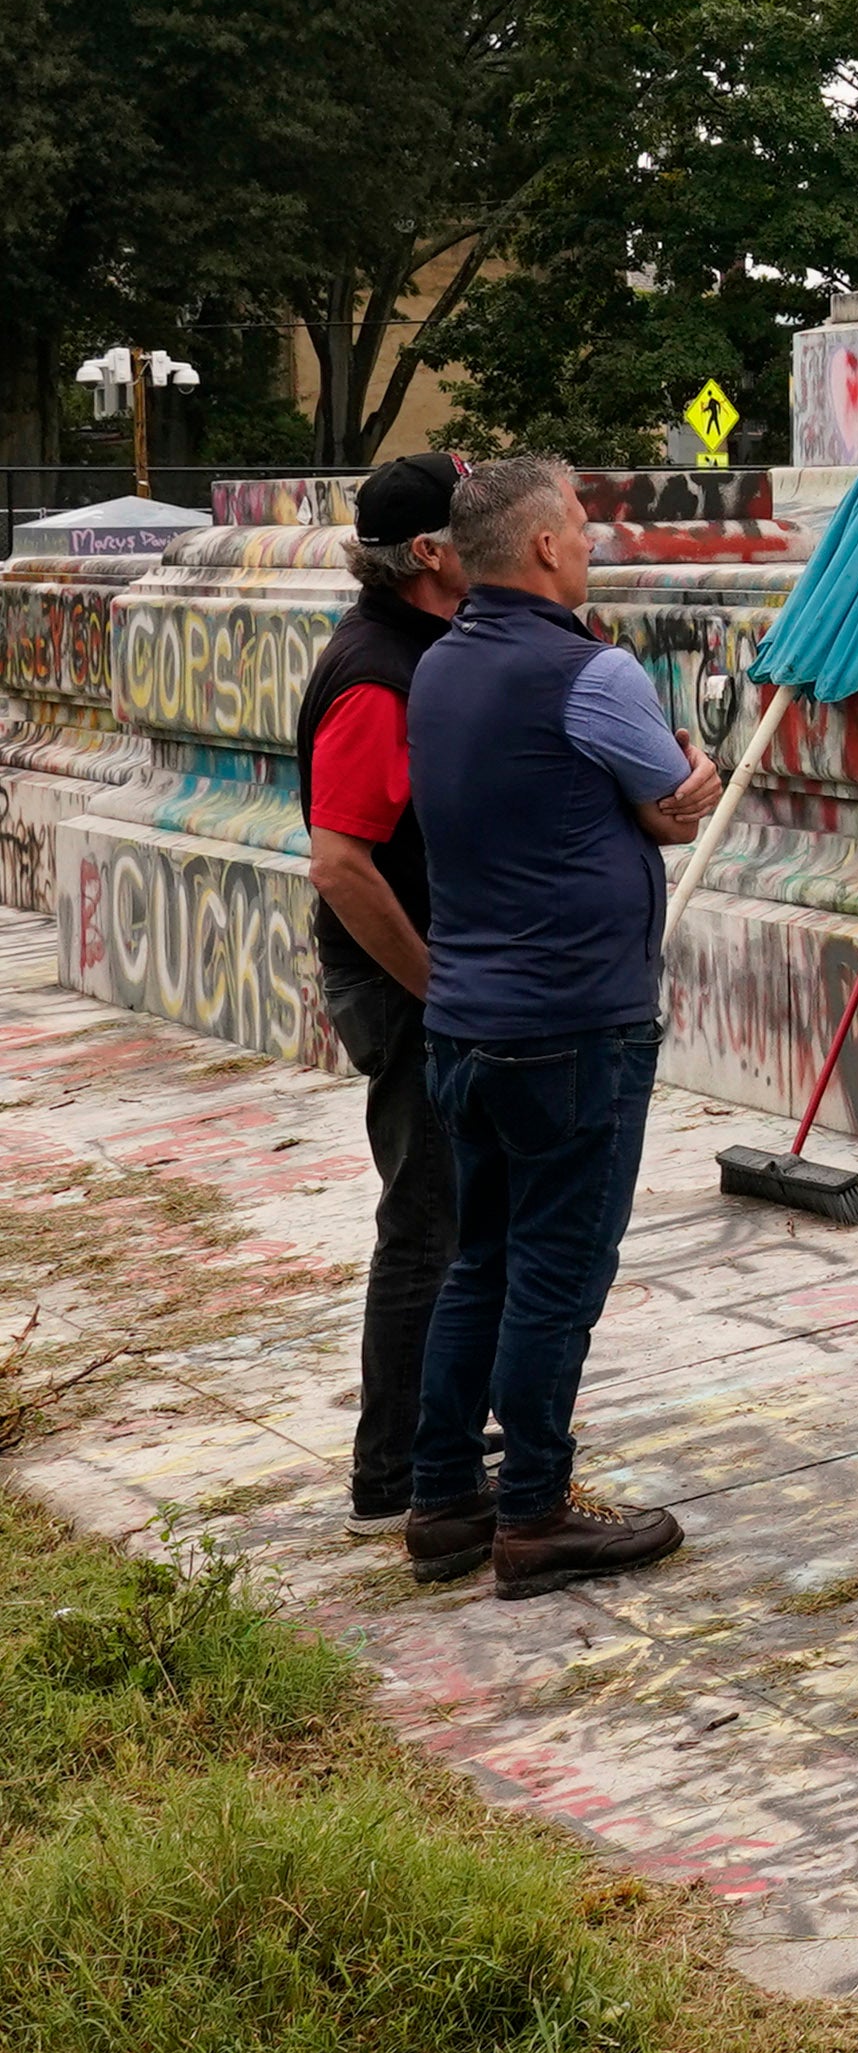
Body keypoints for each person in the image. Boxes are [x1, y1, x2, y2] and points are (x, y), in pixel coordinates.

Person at [398, 456, 721, 1594]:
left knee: (478, 1260)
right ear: (541, 547)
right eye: (579, 527)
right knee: (556, 1274)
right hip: (575, 1024)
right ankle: (535, 1509)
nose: (589, 542)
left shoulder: (438, 668)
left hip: (466, 1021)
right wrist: (692, 772)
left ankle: (444, 1500)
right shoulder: (592, 673)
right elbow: (677, 803)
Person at [293, 450, 470, 1539]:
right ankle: (393, 1473)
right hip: (400, 983)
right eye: (475, 523)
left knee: (456, 1217)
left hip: (422, 977)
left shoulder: (426, 648)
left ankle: (437, 1428)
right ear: (428, 556)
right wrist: (435, 986)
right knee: (427, 1221)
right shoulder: (376, 673)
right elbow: (341, 864)